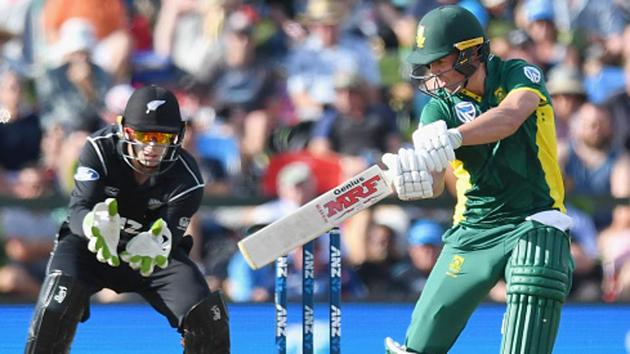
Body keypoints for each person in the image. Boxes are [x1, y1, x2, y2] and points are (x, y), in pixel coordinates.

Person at [381, 6, 574, 354]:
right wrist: (416, 177)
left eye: (441, 62)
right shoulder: (436, 109)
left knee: (536, 279)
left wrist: (454, 136)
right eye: (430, 65)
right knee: (416, 347)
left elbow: (510, 117)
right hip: (473, 229)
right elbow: (437, 181)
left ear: (471, 53)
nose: (435, 75)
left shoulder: (518, 73)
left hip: (535, 216)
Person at [24, 85, 230, 353]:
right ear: (124, 130)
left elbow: (172, 231)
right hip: (92, 249)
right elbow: (78, 210)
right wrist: (92, 224)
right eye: (144, 135)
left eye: (162, 137)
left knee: (207, 315)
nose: (151, 147)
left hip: (148, 257)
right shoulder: (99, 150)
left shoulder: (187, 179)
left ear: (177, 137)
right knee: (55, 305)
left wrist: (158, 242)